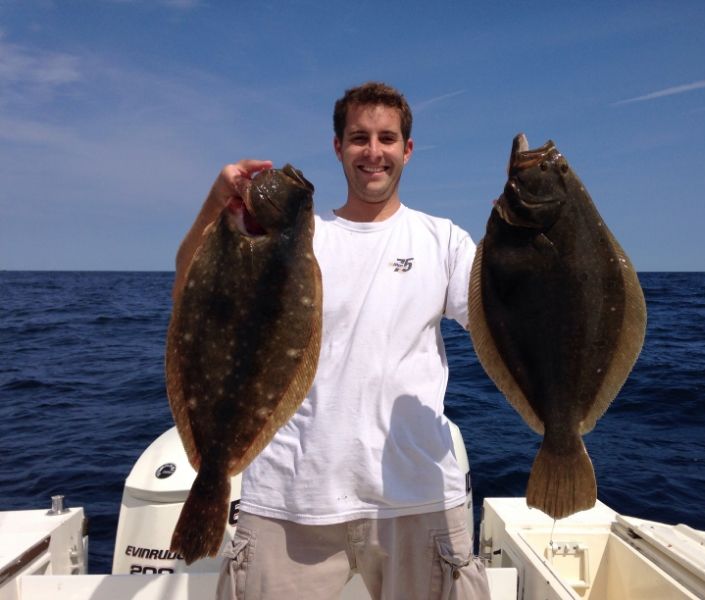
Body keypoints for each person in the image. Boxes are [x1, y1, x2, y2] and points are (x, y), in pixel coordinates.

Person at [173, 82, 491, 599]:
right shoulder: (298, 238)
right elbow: (190, 289)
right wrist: (217, 204)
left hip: (417, 496)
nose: (373, 151)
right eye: (359, 138)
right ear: (338, 147)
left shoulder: (444, 241)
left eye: (387, 138)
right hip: (289, 500)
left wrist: (522, 246)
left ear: (408, 149)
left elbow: (500, 320)